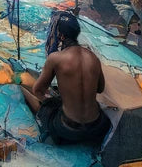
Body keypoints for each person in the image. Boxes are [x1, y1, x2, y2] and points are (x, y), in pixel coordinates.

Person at [20, 11, 110, 146]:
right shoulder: (92, 56)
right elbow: (100, 88)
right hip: (96, 126)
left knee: (31, 95)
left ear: (61, 36)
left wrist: (51, 101)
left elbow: (38, 90)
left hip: (68, 128)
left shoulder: (56, 58)